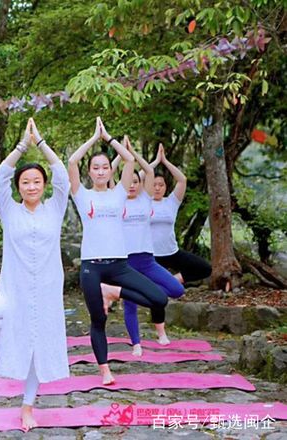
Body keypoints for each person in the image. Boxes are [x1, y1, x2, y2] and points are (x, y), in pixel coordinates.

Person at [0, 118, 69, 432]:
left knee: (37, 348)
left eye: (37, 181)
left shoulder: (55, 207)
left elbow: (63, 175)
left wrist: (41, 144)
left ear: (44, 185)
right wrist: (22, 147)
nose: (32, 186)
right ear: (19, 187)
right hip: (13, 291)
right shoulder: (9, 210)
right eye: (26, 182)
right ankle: (10, 333)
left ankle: (28, 407)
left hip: (48, 290)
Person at [68, 117, 168, 385]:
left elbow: (131, 162)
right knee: (98, 319)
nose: (100, 172)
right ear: (90, 172)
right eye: (95, 168)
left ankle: (114, 292)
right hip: (91, 266)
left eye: (104, 167)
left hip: (120, 265)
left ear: (110, 172)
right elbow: (71, 163)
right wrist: (93, 138)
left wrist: (108, 138)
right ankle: (105, 371)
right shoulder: (82, 195)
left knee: (159, 299)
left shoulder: (119, 193)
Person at [111, 139, 185, 356]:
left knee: (176, 290)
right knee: (130, 305)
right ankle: (136, 343)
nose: (132, 185)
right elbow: (110, 175)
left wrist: (133, 154)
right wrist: (120, 154)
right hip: (126, 262)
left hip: (147, 260)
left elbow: (148, 172)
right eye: (129, 181)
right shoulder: (117, 200)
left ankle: (143, 294)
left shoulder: (146, 199)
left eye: (136, 181)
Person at [149, 144, 212, 285]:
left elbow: (182, 180)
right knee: (156, 297)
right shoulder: (143, 202)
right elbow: (136, 179)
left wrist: (164, 161)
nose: (158, 188)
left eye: (161, 185)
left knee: (205, 268)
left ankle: (171, 281)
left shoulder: (171, 202)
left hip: (171, 252)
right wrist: (153, 163)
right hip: (150, 256)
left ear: (166, 187)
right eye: (154, 185)